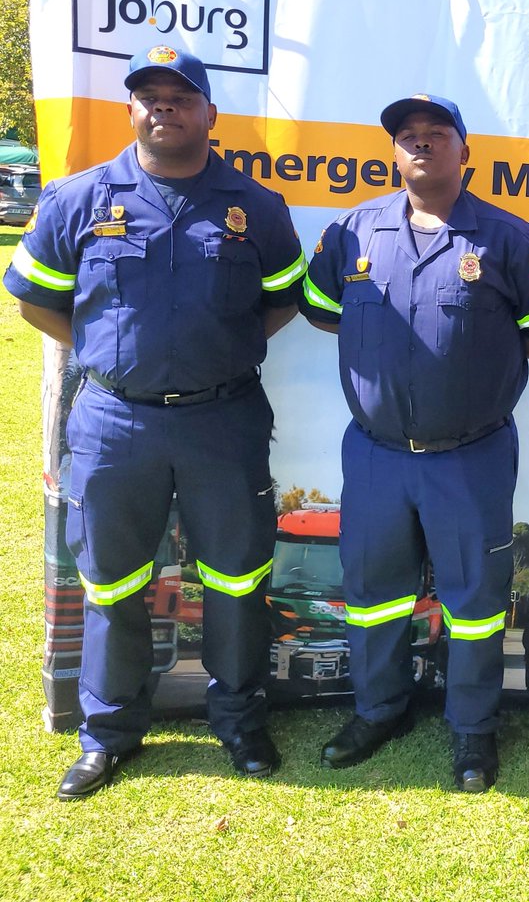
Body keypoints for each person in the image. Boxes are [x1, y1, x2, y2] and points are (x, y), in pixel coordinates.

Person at [3, 44, 305, 799]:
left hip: (223, 419)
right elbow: (35, 299)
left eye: (180, 95)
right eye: (149, 94)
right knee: (113, 583)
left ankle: (238, 719)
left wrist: (213, 356)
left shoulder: (256, 206)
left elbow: (281, 299)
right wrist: (113, 354)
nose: (163, 106)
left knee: (236, 579)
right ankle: (109, 732)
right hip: (112, 422)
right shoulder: (79, 197)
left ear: (210, 112)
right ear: (131, 108)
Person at [301, 94, 529, 792]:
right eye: (407, 137)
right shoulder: (353, 232)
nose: (420, 145)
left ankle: (473, 731)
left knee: (477, 603)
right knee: (373, 597)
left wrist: (476, 367)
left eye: (436, 135)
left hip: (470, 455)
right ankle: (378, 711)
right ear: (394, 152)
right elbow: (322, 311)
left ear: (465, 151)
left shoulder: (510, 238)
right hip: (376, 454)